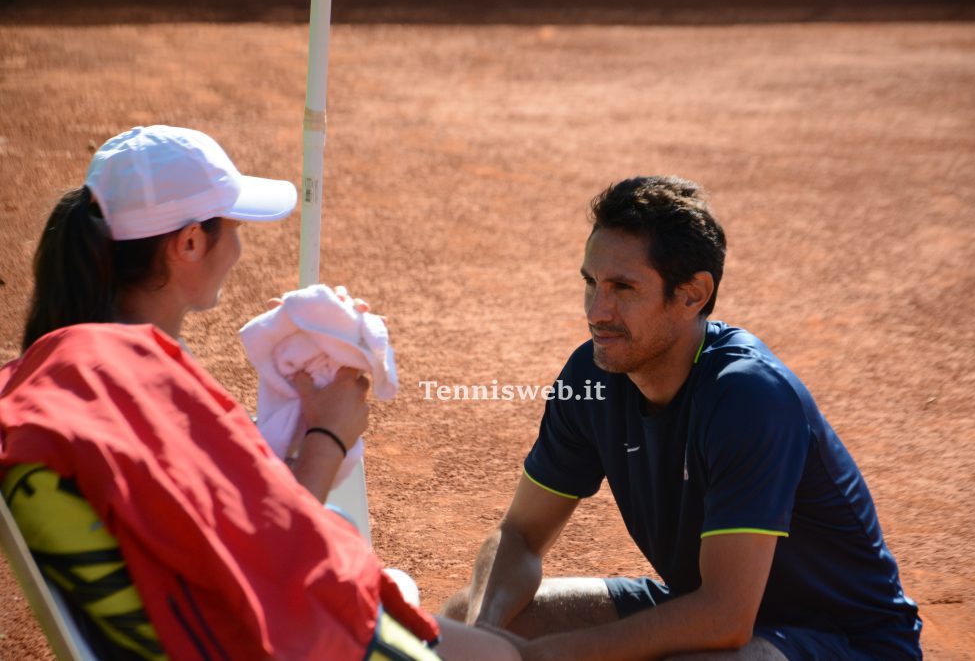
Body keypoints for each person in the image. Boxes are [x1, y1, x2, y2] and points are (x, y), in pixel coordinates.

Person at [2, 125, 519, 660]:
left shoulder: (68, 373)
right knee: (502, 656)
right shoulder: (132, 373)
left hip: (198, 628)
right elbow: (276, 554)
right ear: (189, 243)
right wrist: (328, 434)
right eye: (234, 227)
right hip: (271, 638)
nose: (239, 247)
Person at [442, 176, 922, 660]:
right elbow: (521, 534)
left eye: (623, 288)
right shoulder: (592, 374)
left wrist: (537, 658)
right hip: (715, 614)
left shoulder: (748, 395)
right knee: (463, 619)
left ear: (692, 293)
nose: (597, 311)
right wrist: (485, 634)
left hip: (850, 644)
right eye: (591, 283)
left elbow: (725, 617)